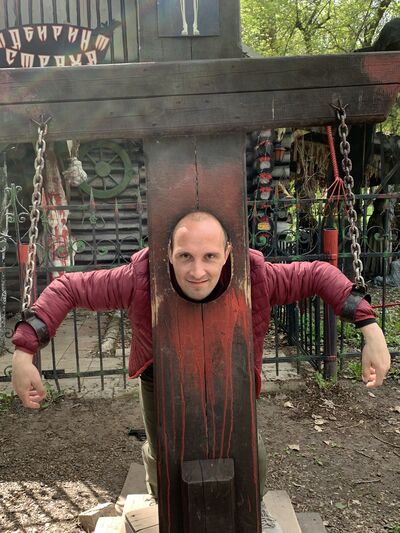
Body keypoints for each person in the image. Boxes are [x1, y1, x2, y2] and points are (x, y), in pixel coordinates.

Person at [12, 211, 391, 533]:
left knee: (248, 448)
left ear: (227, 254)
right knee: (162, 450)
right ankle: (164, 504)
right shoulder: (141, 277)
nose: (197, 271)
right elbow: (69, 288)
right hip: (161, 376)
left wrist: (370, 328)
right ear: (168, 255)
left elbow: (318, 274)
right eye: (185, 256)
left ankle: (253, 506)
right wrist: (24, 351)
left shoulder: (255, 275)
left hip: (230, 372)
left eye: (210, 256)